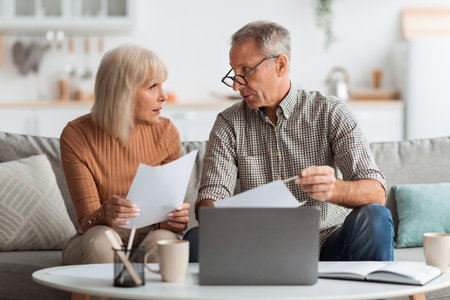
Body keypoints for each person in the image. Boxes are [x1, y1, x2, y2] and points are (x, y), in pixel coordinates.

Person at [184, 21, 394, 262]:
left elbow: (376, 193)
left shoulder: (330, 112)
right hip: (254, 246)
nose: (235, 84)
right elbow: (211, 196)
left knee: (375, 217)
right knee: (196, 239)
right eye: (234, 72)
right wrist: (218, 215)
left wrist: (333, 189)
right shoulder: (229, 123)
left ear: (280, 65)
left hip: (329, 245)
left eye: (245, 71)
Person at [61, 44, 190, 265]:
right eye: (152, 86)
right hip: (96, 237)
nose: (164, 95)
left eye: (162, 85)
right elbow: (87, 223)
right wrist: (106, 212)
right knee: (101, 241)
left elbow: (167, 218)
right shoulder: (76, 135)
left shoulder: (167, 132)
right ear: (122, 92)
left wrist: (175, 220)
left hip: (148, 238)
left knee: (167, 243)